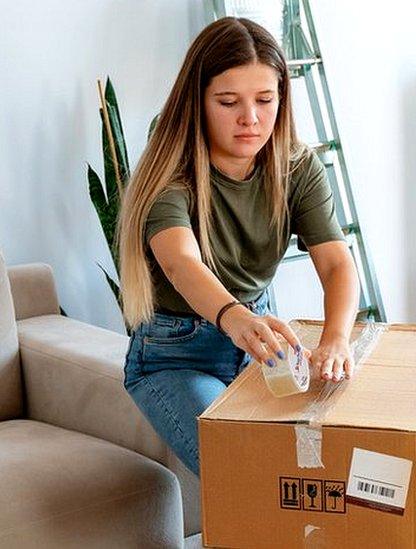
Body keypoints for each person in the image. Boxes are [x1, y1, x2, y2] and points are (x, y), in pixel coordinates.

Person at [116, 17, 360, 476]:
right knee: (250, 478)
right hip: (176, 355)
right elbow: (180, 262)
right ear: (199, 104)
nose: (250, 118)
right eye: (229, 102)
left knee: (309, 473)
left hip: (259, 348)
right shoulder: (170, 170)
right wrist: (235, 318)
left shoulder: (297, 166)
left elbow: (336, 264)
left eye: (265, 100)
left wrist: (335, 339)